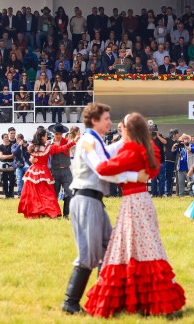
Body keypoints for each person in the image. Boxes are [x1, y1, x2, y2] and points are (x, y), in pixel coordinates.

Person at [84, 112, 186, 318]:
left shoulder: (132, 149)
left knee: (131, 249)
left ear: (129, 130)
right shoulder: (149, 149)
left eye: (123, 127)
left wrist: (91, 152)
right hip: (143, 201)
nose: (120, 130)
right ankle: (147, 298)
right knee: (148, 248)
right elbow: (146, 172)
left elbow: (104, 169)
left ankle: (135, 298)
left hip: (133, 204)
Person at [61, 103, 148, 315]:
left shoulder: (95, 140)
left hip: (94, 200)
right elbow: (101, 168)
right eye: (106, 118)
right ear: (94, 120)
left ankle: (106, 299)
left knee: (109, 250)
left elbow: (107, 154)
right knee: (88, 254)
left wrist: (125, 141)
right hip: (86, 199)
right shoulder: (89, 141)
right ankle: (70, 303)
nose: (110, 122)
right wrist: (133, 177)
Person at [18, 127, 73, 219]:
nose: (47, 137)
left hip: (33, 171)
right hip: (43, 171)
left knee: (34, 194)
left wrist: (31, 159)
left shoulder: (33, 146)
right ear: (43, 137)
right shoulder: (47, 147)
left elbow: (27, 154)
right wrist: (73, 142)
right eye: (46, 136)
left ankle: (37, 212)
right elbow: (61, 148)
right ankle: (49, 212)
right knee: (47, 194)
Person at [49, 123, 78, 218]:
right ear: (53, 133)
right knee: (54, 194)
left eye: (60, 134)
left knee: (69, 192)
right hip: (55, 171)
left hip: (66, 170)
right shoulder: (50, 144)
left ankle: (66, 214)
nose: (58, 136)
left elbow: (75, 150)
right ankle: (56, 214)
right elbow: (59, 149)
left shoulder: (67, 141)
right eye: (57, 134)